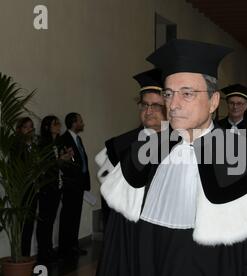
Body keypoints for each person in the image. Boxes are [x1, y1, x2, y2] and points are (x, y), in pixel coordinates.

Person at [92, 39, 247, 276]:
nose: (173, 104)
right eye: (168, 94)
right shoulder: (141, 157)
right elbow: (120, 259)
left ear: (214, 101)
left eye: (187, 93)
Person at [95, 68, 166, 227]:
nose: (148, 111)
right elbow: (105, 182)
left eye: (156, 106)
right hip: (129, 227)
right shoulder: (121, 144)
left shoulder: (183, 144)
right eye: (144, 105)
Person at [36, 115, 74, 264]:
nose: (59, 126)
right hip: (46, 188)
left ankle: (49, 251)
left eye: (59, 123)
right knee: (44, 222)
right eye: (55, 124)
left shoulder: (58, 143)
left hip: (57, 187)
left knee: (51, 221)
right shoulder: (43, 145)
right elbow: (45, 167)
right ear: (47, 127)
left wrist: (67, 157)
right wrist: (60, 160)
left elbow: (61, 166)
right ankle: (43, 254)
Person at [58, 113, 90, 259]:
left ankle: (73, 245)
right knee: (68, 216)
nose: (83, 123)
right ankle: (66, 247)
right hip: (70, 183)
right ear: (73, 123)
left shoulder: (78, 139)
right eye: (80, 121)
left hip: (79, 183)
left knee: (75, 215)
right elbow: (65, 163)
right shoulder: (64, 139)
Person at [15, 117, 38, 257]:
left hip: (33, 191)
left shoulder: (34, 147)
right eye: (26, 127)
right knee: (23, 227)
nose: (29, 129)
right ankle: (22, 257)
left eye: (31, 127)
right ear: (19, 130)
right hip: (23, 192)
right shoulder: (16, 147)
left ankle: (27, 256)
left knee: (29, 226)